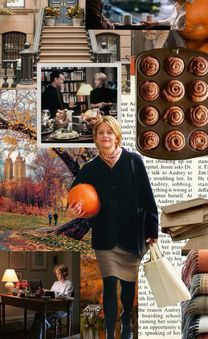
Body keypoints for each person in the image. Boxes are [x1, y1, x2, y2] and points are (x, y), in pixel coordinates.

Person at [70, 116, 158, 339]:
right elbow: (74, 197)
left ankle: (126, 321)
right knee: (109, 284)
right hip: (105, 234)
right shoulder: (90, 168)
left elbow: (148, 197)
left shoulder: (133, 160)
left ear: (116, 135)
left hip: (133, 233)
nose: (106, 136)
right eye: (101, 133)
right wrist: (77, 208)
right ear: (96, 139)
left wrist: (152, 232)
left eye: (110, 132)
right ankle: (110, 333)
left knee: (128, 285)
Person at [29, 264, 74, 339]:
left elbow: (66, 296)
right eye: (56, 274)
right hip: (53, 307)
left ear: (64, 273)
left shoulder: (69, 284)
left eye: (59, 273)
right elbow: (51, 294)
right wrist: (45, 291)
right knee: (38, 314)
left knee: (43, 317)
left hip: (63, 308)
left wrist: (54, 293)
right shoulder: (55, 283)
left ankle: (38, 334)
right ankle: (33, 335)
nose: (57, 275)